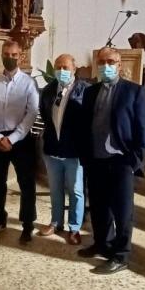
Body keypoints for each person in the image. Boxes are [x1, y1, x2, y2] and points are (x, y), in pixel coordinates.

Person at [77, 47, 145, 274]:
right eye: (102, 62)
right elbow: (86, 126)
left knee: (122, 211)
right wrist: (85, 156)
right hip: (96, 159)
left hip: (121, 161)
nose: (106, 65)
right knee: (99, 208)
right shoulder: (91, 92)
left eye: (111, 61)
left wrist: (134, 161)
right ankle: (102, 244)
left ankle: (121, 255)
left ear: (120, 65)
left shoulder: (134, 92)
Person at [0, 39, 39, 243]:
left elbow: (31, 114)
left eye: (14, 55)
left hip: (21, 140)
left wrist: (12, 138)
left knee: (26, 183)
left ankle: (27, 223)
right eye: (6, 54)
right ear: (2, 55)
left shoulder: (29, 83)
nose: (10, 58)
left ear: (20, 56)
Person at [37, 54, 88, 245]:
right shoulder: (49, 90)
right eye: (58, 67)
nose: (61, 71)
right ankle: (56, 222)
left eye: (66, 67)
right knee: (55, 189)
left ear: (74, 69)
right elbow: (44, 115)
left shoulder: (85, 90)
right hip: (52, 149)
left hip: (75, 152)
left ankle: (74, 228)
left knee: (76, 191)